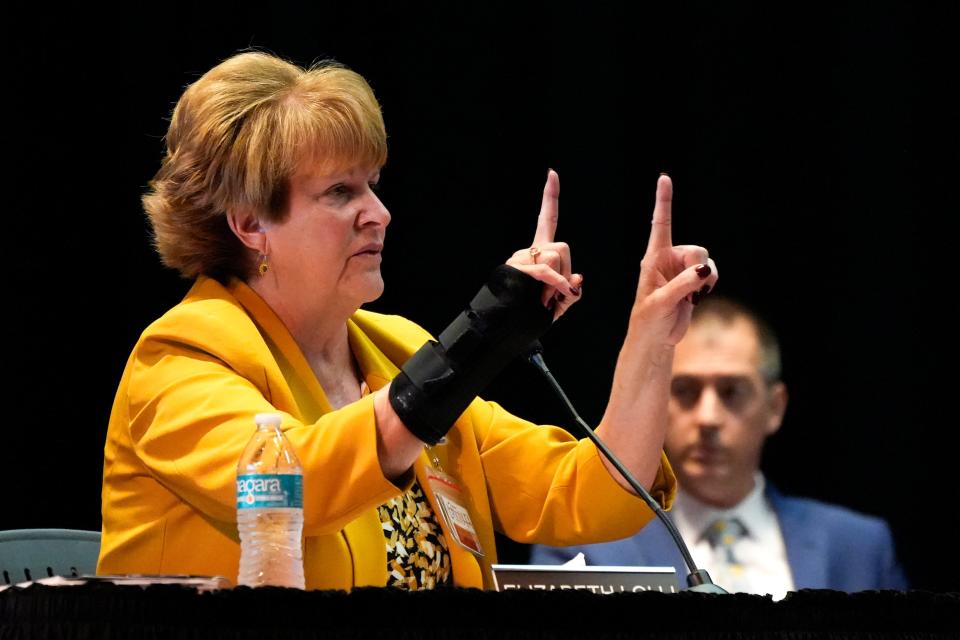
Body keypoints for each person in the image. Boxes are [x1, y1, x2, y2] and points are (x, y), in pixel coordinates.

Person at [98, 51, 719, 591]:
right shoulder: (182, 356)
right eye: (340, 192)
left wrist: (649, 339)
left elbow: (589, 496)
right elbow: (291, 486)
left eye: (373, 184)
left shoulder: (396, 351)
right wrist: (482, 336)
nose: (380, 213)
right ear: (251, 224)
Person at [531, 297, 908, 597]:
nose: (708, 417)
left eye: (731, 392)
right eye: (685, 391)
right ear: (658, 403)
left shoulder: (860, 546)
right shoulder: (584, 547)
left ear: (775, 407)